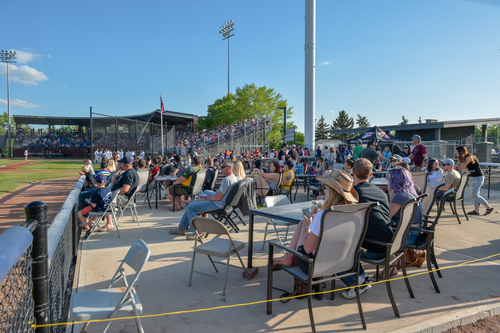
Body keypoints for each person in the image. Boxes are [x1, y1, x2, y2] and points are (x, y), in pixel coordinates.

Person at [273, 170, 373, 298]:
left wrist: (309, 226)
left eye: (326, 187)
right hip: (344, 258)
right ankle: (288, 255)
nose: (324, 189)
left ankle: (289, 256)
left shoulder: (324, 215)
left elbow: (308, 249)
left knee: (304, 225)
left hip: (317, 265)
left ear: (330, 190)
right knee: (303, 224)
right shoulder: (354, 212)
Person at [341, 158, 394, 297]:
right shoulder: (381, 193)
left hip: (373, 248)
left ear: (352, 172)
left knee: (337, 246)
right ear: (371, 174)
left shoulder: (353, 194)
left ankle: (357, 282)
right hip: (389, 244)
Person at [169, 160, 239, 240]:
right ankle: (180, 228)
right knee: (204, 192)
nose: (221, 169)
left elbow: (217, 198)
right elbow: (220, 195)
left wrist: (204, 198)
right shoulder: (233, 178)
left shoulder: (227, 180)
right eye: (220, 167)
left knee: (191, 207)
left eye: (222, 167)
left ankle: (197, 233)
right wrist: (205, 195)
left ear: (229, 168)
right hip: (223, 202)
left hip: (218, 204)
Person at [388, 166, 423, 247]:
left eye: (389, 178)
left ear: (394, 180)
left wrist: (390, 189)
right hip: (413, 234)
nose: (388, 180)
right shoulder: (410, 194)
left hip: (406, 237)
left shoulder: (400, 197)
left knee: (373, 237)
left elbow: (386, 216)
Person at [455, 145, 493, 215]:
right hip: (472, 177)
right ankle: (476, 211)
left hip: (477, 177)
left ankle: (488, 207)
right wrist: (458, 159)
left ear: (461, 151)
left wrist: (457, 166)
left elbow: (460, 167)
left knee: (474, 195)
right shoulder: (462, 158)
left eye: (457, 151)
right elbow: (458, 165)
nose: (456, 152)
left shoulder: (469, 157)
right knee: (476, 194)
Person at [78, 174, 114, 239]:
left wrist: (90, 201)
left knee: (79, 213)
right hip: (107, 208)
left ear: (96, 182)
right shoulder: (108, 190)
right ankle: (91, 222)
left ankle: (88, 230)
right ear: (105, 182)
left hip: (99, 209)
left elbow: (93, 205)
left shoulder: (96, 191)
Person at [108, 156, 140, 228]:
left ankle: (109, 223)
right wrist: (117, 171)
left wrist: (112, 193)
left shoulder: (129, 174)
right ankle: (92, 220)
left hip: (123, 197)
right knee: (99, 196)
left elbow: (125, 189)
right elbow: (113, 182)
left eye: (120, 163)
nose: (118, 165)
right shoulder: (126, 172)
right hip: (119, 195)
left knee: (104, 198)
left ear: (123, 164)